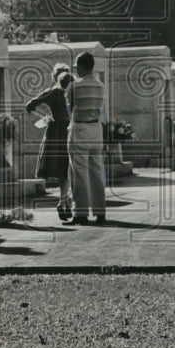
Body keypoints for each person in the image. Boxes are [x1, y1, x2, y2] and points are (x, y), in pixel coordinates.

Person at [25, 63, 73, 221]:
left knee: (62, 168)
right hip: (67, 129)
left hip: (55, 131)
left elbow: (30, 105)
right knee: (66, 167)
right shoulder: (67, 90)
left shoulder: (51, 92)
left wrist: (44, 117)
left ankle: (64, 201)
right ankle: (64, 201)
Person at [65, 51, 107, 226]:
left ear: (81, 67)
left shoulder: (74, 86)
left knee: (78, 173)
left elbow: (70, 110)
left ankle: (81, 213)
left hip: (80, 128)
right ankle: (100, 212)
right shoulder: (100, 85)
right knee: (97, 172)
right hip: (96, 129)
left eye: (77, 67)